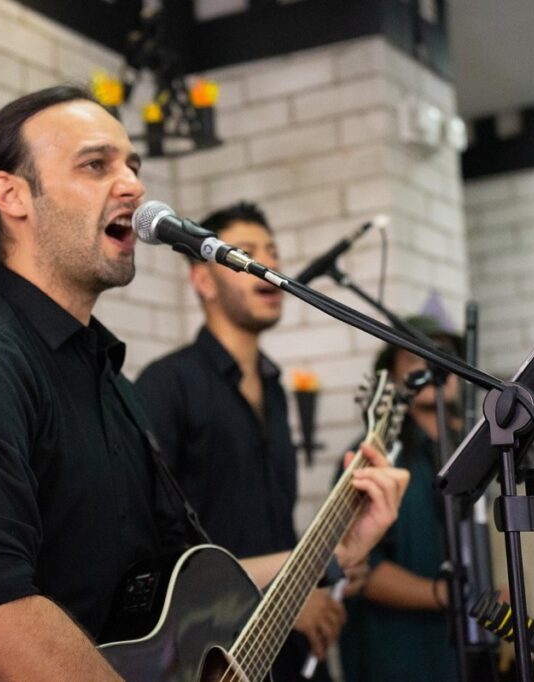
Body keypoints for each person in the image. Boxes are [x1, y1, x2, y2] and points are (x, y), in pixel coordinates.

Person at [0, 85, 408, 681]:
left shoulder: (109, 379)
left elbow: (186, 578)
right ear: (12, 195)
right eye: (96, 165)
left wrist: (330, 556)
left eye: (133, 166)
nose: (134, 185)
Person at [135, 202, 349, 681]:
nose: (267, 266)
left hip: (288, 647)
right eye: (245, 253)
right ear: (204, 281)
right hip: (209, 655)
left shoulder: (275, 388)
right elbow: (154, 552)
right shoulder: (166, 385)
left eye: (272, 252)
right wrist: (280, 601)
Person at [338, 315, 462, 682]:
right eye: (416, 358)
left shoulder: (473, 453)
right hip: (397, 656)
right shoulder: (371, 457)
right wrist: (452, 596)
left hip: (462, 657)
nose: (433, 365)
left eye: (444, 355)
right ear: (391, 379)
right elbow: (359, 566)